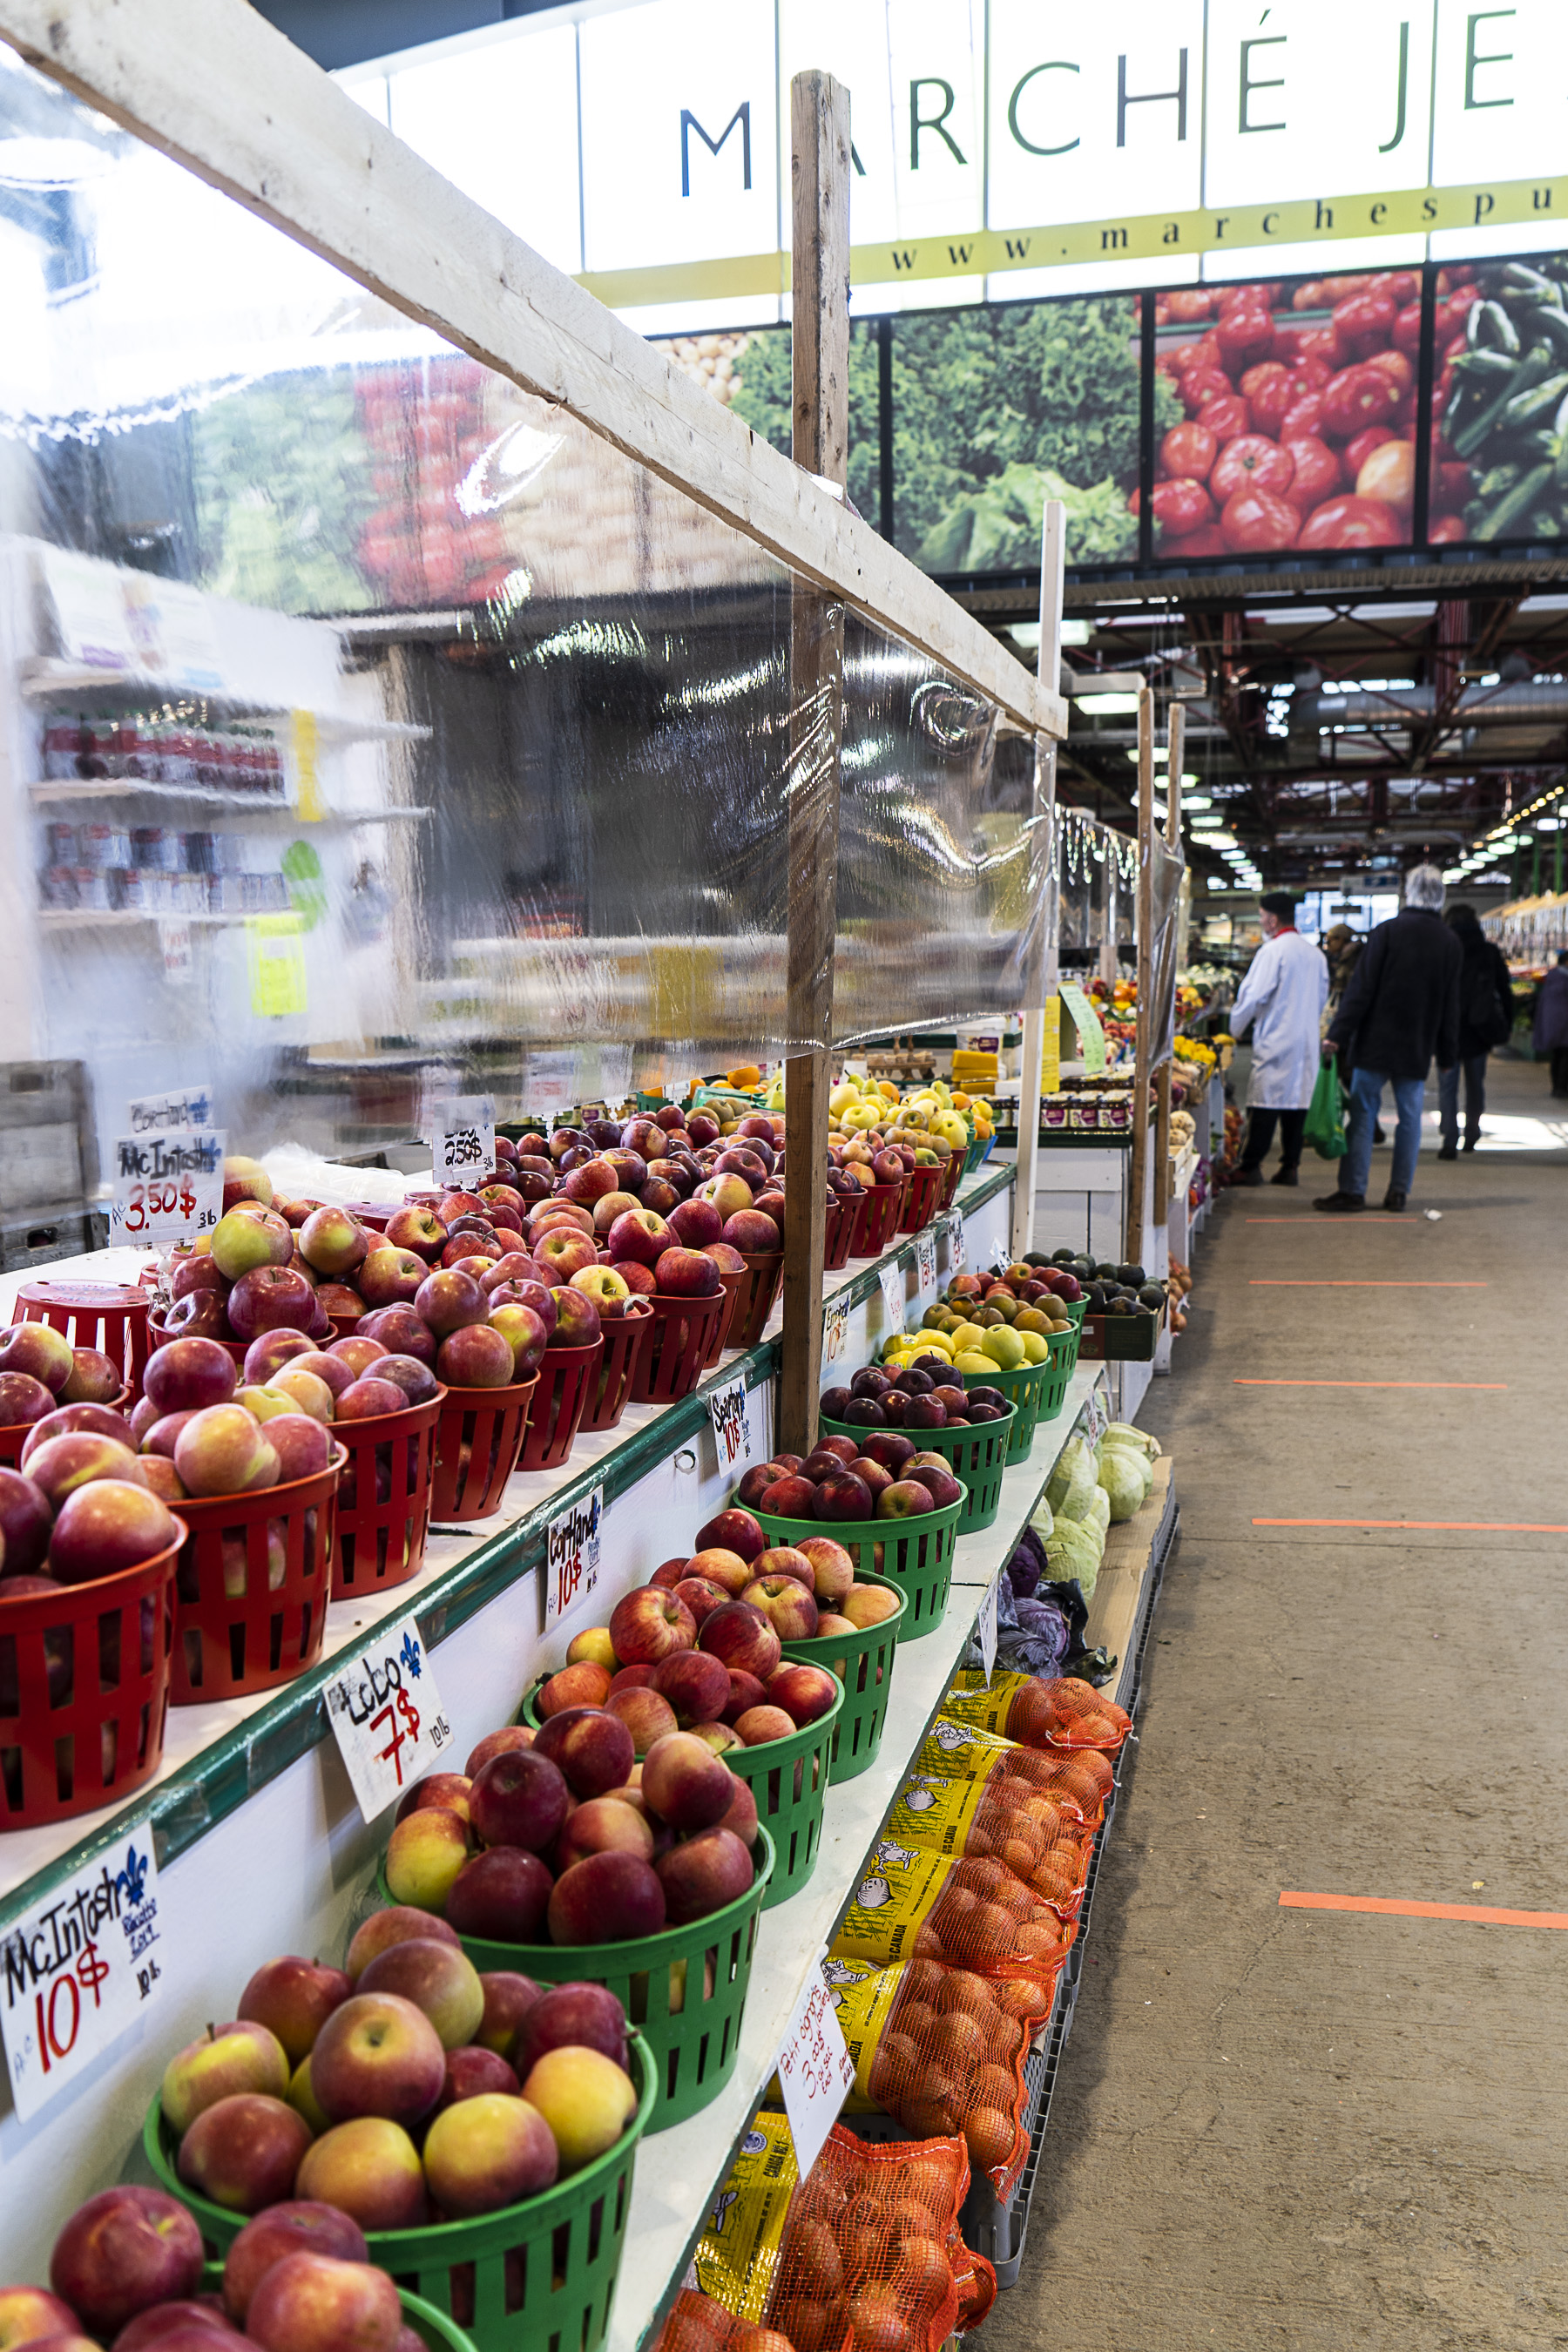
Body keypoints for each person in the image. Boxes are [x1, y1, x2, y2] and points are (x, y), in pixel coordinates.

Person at [1315, 863, 1461, 1215]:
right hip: (1416, 1044)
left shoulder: (1388, 932)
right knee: (1410, 1119)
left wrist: (1338, 1034)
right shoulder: (1449, 941)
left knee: (1364, 1114)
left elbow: (1360, 991)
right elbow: (1450, 1003)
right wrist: (1446, 1055)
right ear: (1440, 895)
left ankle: (1352, 1191)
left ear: (1407, 893)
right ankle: (1398, 1194)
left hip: (1375, 1043)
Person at [1227, 892, 1329, 1187]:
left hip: (1276, 1038)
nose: (1261, 922)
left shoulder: (1272, 951)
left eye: (1261, 917)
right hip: (1306, 1040)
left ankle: (1250, 1167)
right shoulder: (1315, 954)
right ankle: (1290, 1167)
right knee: (1297, 1105)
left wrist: (1234, 1030)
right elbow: (1321, 999)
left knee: (1264, 1104)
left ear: (1272, 919)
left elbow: (1251, 996)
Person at [1436, 903, 1514, 1157]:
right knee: (1475, 1084)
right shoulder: (1488, 951)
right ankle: (1472, 1133)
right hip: (1480, 1027)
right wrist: (1507, 1024)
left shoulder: (1445, 949)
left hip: (1448, 1028)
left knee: (1447, 1086)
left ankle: (1449, 1139)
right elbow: (1505, 990)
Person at [1534, 950, 1568, 1098]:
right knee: (1565, 1055)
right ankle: (1561, 1087)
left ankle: (1557, 1086)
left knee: (1557, 1055)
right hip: (1564, 1023)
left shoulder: (1551, 977)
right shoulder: (1564, 979)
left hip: (1553, 1024)